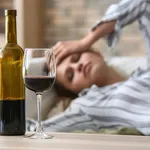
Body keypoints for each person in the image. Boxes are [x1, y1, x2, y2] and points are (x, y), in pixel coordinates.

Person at [27, 0, 150, 135]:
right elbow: (37, 128)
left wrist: (86, 40)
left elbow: (144, 3)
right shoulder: (88, 104)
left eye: (77, 57)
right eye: (71, 76)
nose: (77, 66)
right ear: (74, 91)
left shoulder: (145, 73)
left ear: (95, 52)